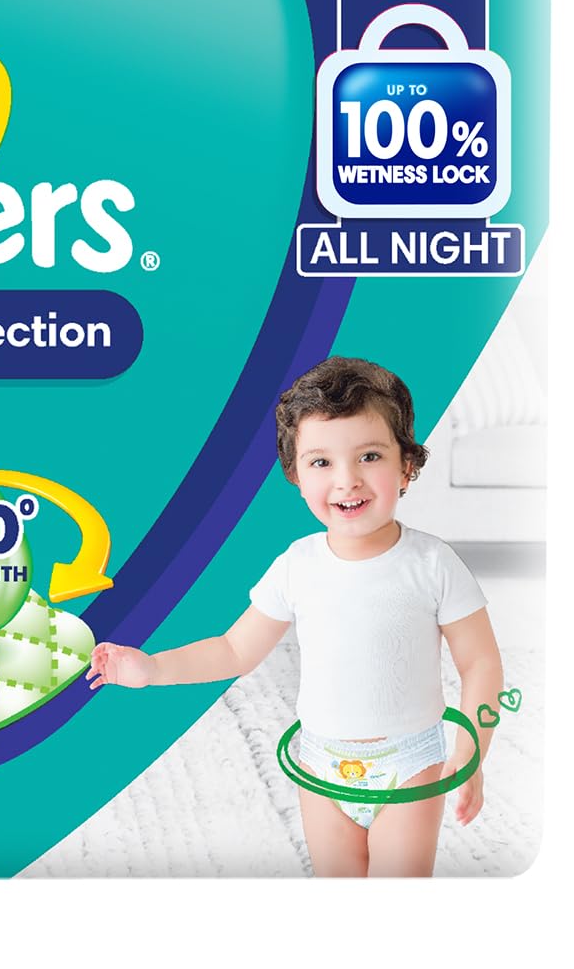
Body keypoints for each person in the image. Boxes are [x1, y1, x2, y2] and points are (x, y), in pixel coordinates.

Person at [87, 356, 504, 877]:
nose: (347, 480)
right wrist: (151, 669)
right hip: (320, 763)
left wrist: (472, 750)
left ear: (406, 465)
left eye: (369, 456)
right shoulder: (296, 566)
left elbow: (481, 663)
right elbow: (234, 650)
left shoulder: (432, 563)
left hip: (408, 763)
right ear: (296, 476)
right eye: (321, 462)